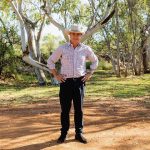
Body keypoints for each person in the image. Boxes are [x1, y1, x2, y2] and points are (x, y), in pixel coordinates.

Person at [47, 24, 99, 144]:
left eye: (78, 34)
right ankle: (63, 133)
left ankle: (79, 133)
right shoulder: (62, 48)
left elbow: (95, 61)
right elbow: (51, 61)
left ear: (81, 35)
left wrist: (90, 73)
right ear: (69, 35)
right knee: (65, 110)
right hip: (65, 82)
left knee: (79, 109)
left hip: (80, 82)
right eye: (73, 33)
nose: (75, 36)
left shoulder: (86, 49)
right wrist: (56, 75)